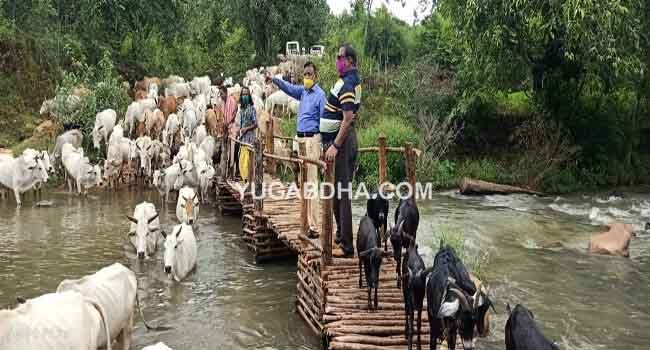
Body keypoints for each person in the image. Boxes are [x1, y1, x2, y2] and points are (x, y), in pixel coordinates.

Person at [269, 62, 326, 238]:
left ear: (315, 76)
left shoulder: (320, 95)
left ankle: (315, 227)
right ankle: (306, 221)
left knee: (311, 181)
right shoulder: (302, 92)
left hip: (312, 140)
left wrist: (322, 145)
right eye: (305, 74)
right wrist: (275, 80)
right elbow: (288, 88)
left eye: (310, 74)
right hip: (300, 140)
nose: (307, 77)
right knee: (304, 182)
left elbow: (324, 121)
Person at [321, 44, 361, 257]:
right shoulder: (350, 81)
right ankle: (340, 234)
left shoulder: (347, 84)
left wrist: (335, 145)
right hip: (341, 141)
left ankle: (347, 245)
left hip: (342, 144)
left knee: (343, 193)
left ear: (350, 61)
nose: (337, 61)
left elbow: (347, 119)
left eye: (340, 57)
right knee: (337, 190)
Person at [237, 87, 257, 182]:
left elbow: (255, 124)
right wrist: (239, 130)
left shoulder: (252, 109)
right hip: (242, 138)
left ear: (249, 96)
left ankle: (248, 180)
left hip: (250, 138)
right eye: (243, 94)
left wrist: (247, 129)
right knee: (242, 160)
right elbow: (240, 124)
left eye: (246, 94)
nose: (245, 96)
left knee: (248, 160)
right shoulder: (241, 110)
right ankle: (244, 179)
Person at [220, 85, 239, 177]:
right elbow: (223, 116)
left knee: (232, 150)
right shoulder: (222, 103)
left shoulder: (231, 101)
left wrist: (227, 123)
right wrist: (224, 124)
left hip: (232, 127)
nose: (221, 96)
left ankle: (232, 172)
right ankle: (226, 172)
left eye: (222, 94)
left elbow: (234, 113)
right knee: (225, 151)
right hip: (226, 128)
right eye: (220, 94)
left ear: (226, 93)